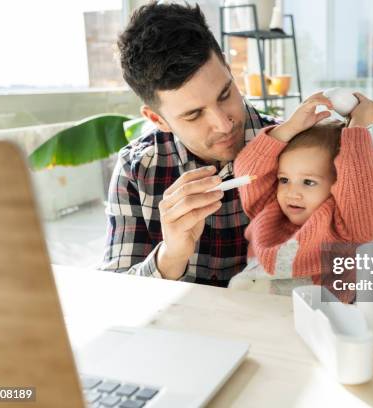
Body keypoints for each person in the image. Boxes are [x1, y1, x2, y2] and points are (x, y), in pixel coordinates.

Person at [100, 2, 277, 286]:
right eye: (194, 114)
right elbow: (114, 298)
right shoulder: (137, 170)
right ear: (157, 119)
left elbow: (360, 274)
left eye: (224, 94)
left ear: (230, 72)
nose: (224, 123)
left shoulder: (295, 145)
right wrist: (170, 257)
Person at [228, 94, 373, 296]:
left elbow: (359, 184)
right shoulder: (270, 211)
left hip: (310, 320)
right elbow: (249, 172)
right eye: (284, 180)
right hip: (249, 310)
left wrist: (357, 128)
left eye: (309, 182)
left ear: (340, 185)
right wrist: (289, 128)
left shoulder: (348, 230)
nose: (291, 192)